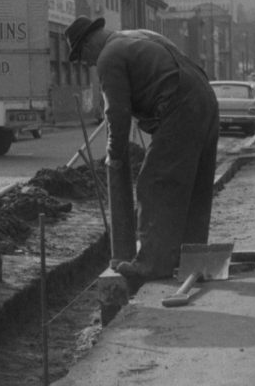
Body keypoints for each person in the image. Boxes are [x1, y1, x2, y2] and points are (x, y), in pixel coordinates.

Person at [64, 15, 220, 286]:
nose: (86, 62)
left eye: (82, 54)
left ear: (90, 42)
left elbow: (118, 114)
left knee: (155, 183)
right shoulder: (138, 34)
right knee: (194, 186)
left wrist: (114, 155)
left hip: (180, 105)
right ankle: (190, 259)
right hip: (205, 97)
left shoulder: (108, 57)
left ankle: (152, 264)